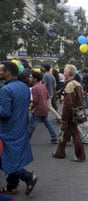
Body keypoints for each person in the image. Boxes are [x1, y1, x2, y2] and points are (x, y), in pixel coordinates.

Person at [0, 61, 38, 195]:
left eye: (1, 70)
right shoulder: (23, 86)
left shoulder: (5, 90)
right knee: (13, 157)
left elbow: (4, 112)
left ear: (8, 73)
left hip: (8, 129)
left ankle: (28, 177)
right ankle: (12, 186)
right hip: (21, 126)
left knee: (4, 158)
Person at [52, 64, 86, 162]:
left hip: (70, 114)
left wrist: (64, 117)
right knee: (64, 133)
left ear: (69, 72)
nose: (64, 72)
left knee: (74, 134)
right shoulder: (77, 84)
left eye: (65, 71)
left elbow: (68, 104)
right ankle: (60, 152)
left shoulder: (70, 85)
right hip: (76, 112)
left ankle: (80, 155)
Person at [28, 71, 58, 144]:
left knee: (31, 125)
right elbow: (47, 96)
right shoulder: (43, 86)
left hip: (38, 109)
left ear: (35, 79)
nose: (30, 78)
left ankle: (26, 139)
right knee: (47, 123)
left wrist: (30, 103)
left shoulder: (34, 88)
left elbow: (35, 101)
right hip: (44, 108)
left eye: (31, 77)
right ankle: (54, 137)